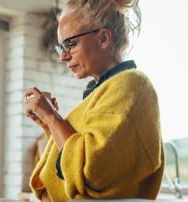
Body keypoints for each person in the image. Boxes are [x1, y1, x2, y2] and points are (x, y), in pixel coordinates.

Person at [24, 0, 164, 201]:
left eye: (70, 44)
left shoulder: (130, 85)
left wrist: (52, 117)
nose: (63, 57)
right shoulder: (104, 91)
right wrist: (50, 126)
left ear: (103, 38)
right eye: (61, 47)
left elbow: (91, 170)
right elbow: (72, 162)